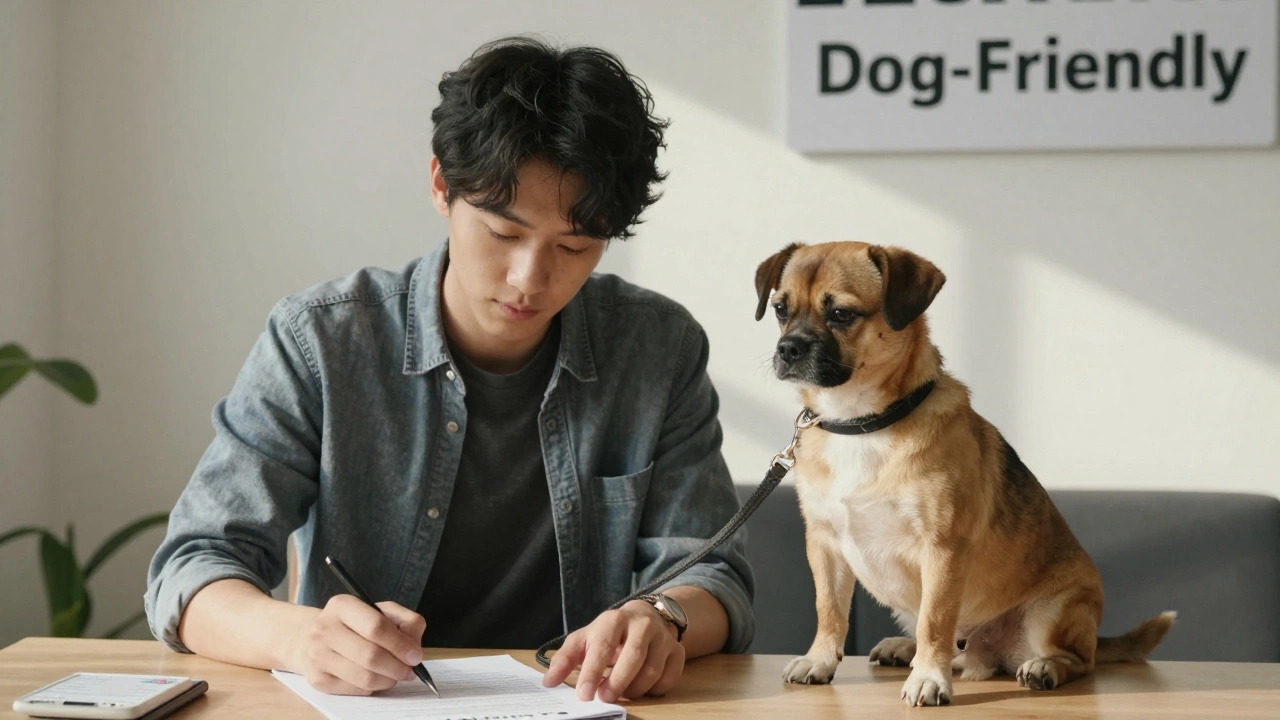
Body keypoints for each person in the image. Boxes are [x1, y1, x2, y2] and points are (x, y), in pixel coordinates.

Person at [144, 36, 754, 704]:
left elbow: (713, 572)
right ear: (442, 185)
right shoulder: (321, 340)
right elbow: (192, 567)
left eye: (574, 246)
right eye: (502, 233)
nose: (531, 279)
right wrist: (298, 637)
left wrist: (660, 617)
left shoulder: (657, 349)